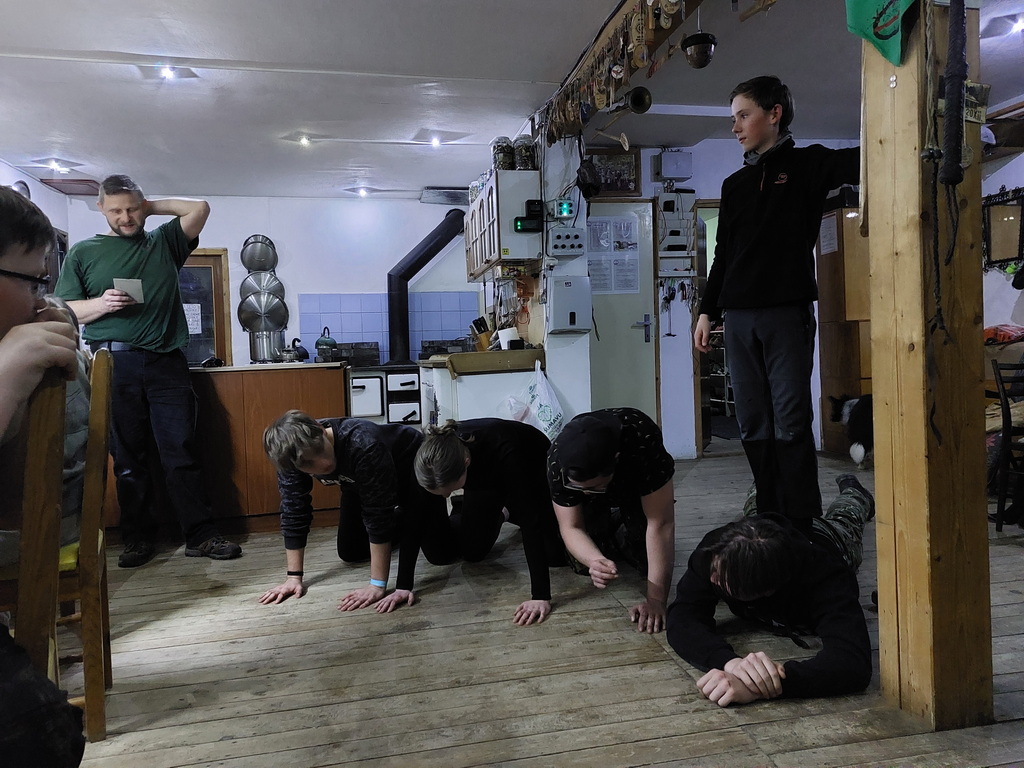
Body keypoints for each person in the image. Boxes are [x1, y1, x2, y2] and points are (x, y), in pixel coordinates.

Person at [693, 75, 860, 530]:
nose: (735, 127)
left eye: (743, 116)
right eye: (733, 118)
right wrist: (708, 311)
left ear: (774, 114)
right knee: (751, 420)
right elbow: (723, 255)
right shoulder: (734, 185)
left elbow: (869, 157)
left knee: (790, 418)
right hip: (738, 318)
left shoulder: (808, 164)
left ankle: (802, 521)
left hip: (786, 313)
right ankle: (769, 514)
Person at [55, 174, 241, 567]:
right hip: (112, 363)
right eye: (116, 210)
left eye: (132, 209)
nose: (126, 218)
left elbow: (199, 208)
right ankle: (138, 539)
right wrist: (102, 304)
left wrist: (148, 207)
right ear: (100, 208)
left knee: (181, 451)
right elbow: (65, 309)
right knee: (127, 458)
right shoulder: (83, 252)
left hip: (167, 362)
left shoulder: (164, 242)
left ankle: (201, 536)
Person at [0, 185, 86, 767]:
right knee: (39, 734)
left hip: (36, 533)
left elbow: (14, 511)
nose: (40, 301)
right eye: (32, 282)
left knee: (48, 731)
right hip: (38, 536)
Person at [666, 474, 875, 707]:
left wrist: (767, 685)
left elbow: (852, 663)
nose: (711, 578)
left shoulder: (827, 578)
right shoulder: (714, 554)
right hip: (764, 526)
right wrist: (730, 663)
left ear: (765, 593)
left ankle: (855, 493)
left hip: (828, 538)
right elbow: (682, 617)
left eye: (723, 582)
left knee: (846, 517)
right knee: (763, 490)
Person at [259, 410, 459, 612]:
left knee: (441, 555)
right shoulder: (289, 456)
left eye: (320, 450)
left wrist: (377, 585)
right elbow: (294, 510)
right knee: (350, 551)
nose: (324, 464)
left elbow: (377, 516)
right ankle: (401, 522)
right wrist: (293, 577)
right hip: (357, 483)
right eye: (308, 464)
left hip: (412, 472)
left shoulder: (363, 444)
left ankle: (459, 509)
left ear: (321, 430)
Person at [414, 418, 566, 626]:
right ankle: (502, 511)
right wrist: (403, 585)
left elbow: (531, 525)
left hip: (532, 466)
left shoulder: (507, 451)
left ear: (466, 463)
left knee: (555, 556)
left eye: (450, 490)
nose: (445, 496)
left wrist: (540, 596)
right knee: (473, 552)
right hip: (483, 475)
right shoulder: (431, 458)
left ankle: (511, 506)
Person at [546, 407, 676, 634]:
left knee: (646, 560)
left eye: (595, 487)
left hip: (635, 486)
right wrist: (594, 560)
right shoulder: (557, 460)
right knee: (582, 565)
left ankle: (623, 525)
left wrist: (656, 600)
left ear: (616, 459)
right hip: (590, 502)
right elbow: (571, 526)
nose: (589, 491)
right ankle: (613, 526)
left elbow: (661, 523)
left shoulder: (642, 438)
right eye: (582, 488)